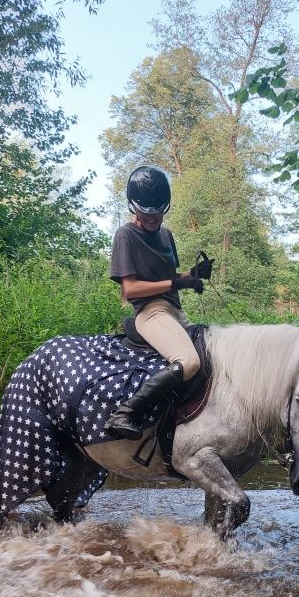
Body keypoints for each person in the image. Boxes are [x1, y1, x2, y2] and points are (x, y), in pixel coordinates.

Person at [104, 165, 214, 440]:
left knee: (213, 356)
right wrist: (177, 283)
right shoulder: (125, 235)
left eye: (158, 212)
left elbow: (169, 277)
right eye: (146, 212)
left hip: (175, 310)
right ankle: (126, 413)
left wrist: (192, 274)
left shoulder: (166, 235)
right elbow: (130, 289)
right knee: (188, 361)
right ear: (133, 206)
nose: (153, 218)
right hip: (150, 313)